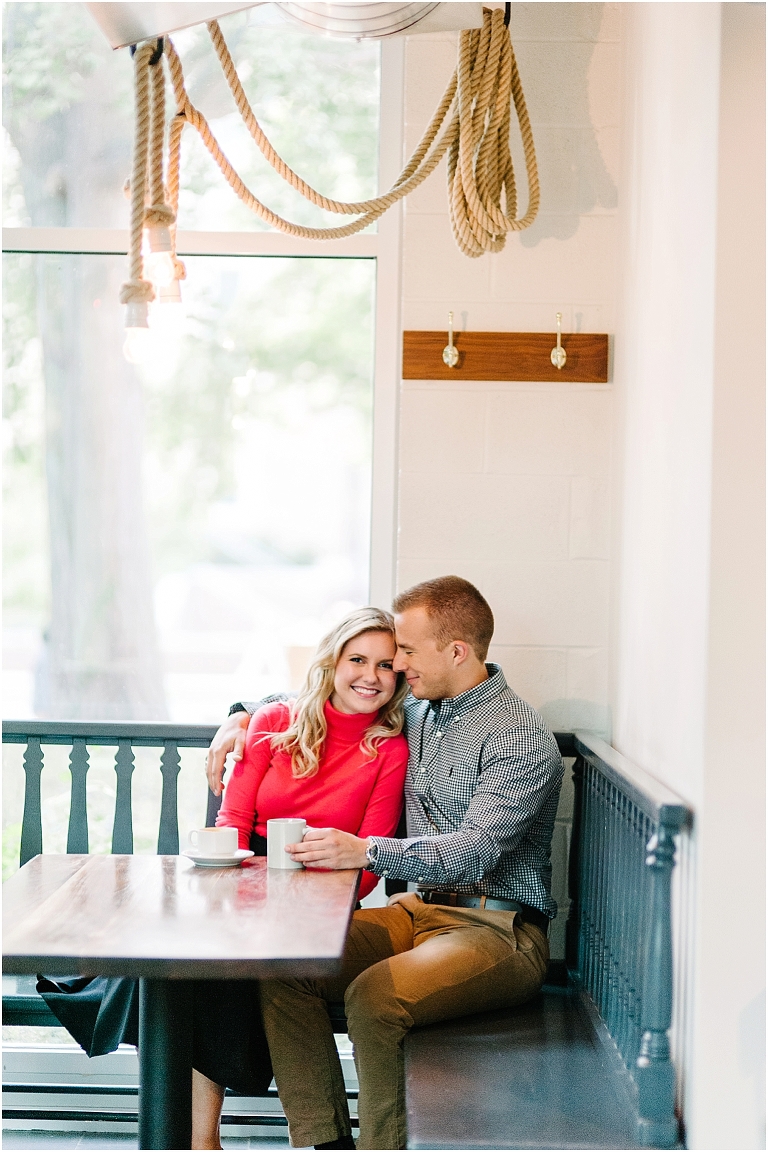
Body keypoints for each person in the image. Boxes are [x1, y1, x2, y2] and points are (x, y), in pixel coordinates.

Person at [207, 576, 564, 1151]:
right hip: (416, 912)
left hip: (498, 930)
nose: (396, 665)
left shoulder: (518, 736)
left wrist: (365, 850)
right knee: (288, 967)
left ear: (456, 652)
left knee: (374, 998)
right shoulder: (420, 707)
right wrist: (241, 714)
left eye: (407, 651)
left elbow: (474, 851)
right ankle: (324, 1142)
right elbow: (324, 690)